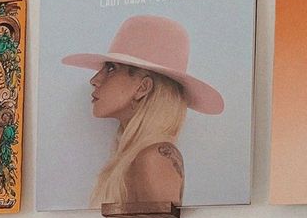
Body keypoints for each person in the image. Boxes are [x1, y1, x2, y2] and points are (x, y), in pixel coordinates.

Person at [62, 15, 224, 207]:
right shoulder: (139, 155)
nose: (95, 80)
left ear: (143, 88)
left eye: (112, 68)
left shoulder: (154, 157)